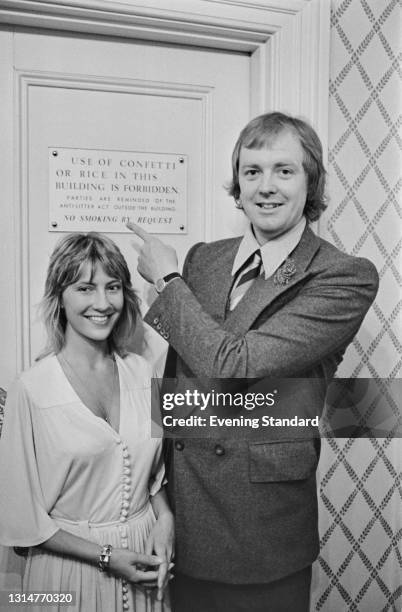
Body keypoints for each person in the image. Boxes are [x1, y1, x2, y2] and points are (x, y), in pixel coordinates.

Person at [127, 112, 379, 611]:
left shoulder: (343, 276)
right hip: (185, 519)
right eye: (252, 171)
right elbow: (181, 374)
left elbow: (233, 365)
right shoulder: (204, 259)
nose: (266, 187)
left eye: (284, 170)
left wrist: (166, 281)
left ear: (312, 182)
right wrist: (159, 504)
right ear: (237, 185)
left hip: (263, 534)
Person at [0, 233, 174, 611]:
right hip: (67, 574)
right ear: (59, 297)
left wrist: (165, 519)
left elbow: (154, 475)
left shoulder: (143, 372)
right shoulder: (31, 389)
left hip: (146, 565)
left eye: (112, 287)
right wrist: (108, 556)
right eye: (84, 287)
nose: (102, 303)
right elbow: (22, 520)